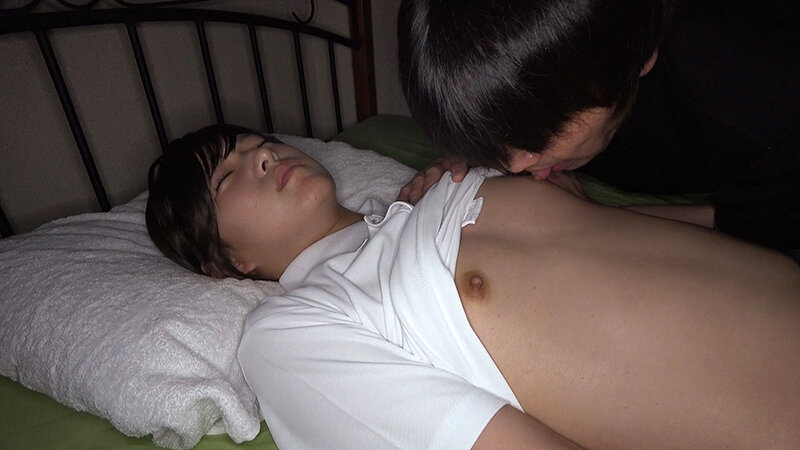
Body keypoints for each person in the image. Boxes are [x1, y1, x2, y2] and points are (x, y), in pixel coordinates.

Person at [146, 124, 800, 449]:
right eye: (227, 177)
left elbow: (627, 240)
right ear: (224, 265)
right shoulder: (290, 333)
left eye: (254, 143)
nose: (262, 154)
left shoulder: (439, 189)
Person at [396, 0, 800, 259]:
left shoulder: (759, 99)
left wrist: (586, 216)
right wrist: (476, 147)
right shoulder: (566, 67)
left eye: (533, 137)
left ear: (641, 56)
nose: (515, 166)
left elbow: (753, 234)